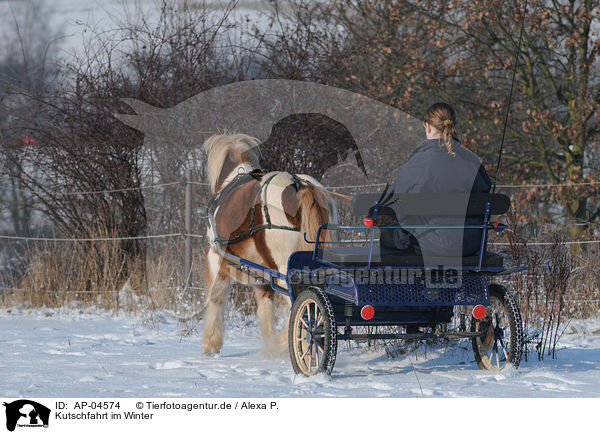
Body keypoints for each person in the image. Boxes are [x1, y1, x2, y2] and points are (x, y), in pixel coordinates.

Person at [383, 102, 491, 257]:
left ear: (427, 126)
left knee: (388, 237)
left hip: (431, 244)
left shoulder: (420, 162)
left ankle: (403, 281)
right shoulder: (472, 161)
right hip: (470, 245)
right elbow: (485, 195)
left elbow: (392, 201)